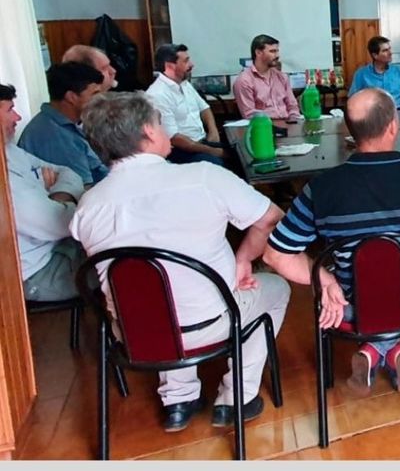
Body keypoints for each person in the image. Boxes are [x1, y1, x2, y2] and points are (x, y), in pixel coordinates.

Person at [71, 92, 294, 432]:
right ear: (148, 131)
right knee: (276, 288)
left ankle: (178, 400)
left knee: (152, 300)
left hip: (133, 335)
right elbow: (270, 218)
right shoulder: (203, 177)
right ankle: (237, 396)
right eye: (161, 123)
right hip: (212, 322)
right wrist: (243, 259)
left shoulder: (88, 206)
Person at [264, 88, 400, 397]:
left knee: (365, 293)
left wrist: (324, 277)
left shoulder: (321, 188)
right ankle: (388, 350)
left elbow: (274, 255)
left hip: (346, 304)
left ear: (349, 131)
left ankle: (374, 350)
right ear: (393, 126)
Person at [2, 83, 86, 302]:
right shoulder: (4, 180)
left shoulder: (9, 150)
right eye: (10, 109)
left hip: (58, 247)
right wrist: (57, 198)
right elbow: (61, 224)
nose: (18, 117)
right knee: (121, 265)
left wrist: (57, 195)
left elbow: (67, 171)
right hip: (40, 272)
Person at [17, 62, 109, 186]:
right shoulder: (54, 136)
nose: (102, 100)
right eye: (95, 94)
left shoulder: (66, 125)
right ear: (71, 97)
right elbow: (82, 190)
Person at [145, 43, 227, 166]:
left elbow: (205, 108)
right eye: (186, 61)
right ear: (169, 66)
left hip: (202, 142)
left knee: (240, 153)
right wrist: (213, 151)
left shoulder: (184, 83)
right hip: (181, 151)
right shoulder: (158, 95)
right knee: (218, 165)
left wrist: (213, 131)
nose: (192, 64)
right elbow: (176, 139)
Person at [232, 34, 302, 120]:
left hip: (288, 125)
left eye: (277, 51)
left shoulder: (281, 77)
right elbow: (249, 114)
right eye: (272, 51)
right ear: (258, 53)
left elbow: (292, 106)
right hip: (263, 127)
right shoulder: (244, 80)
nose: (277, 55)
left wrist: (294, 121)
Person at [348, 36, 400, 109]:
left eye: (390, 49)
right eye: (385, 50)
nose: (390, 53)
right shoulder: (361, 74)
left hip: (398, 112)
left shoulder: (398, 71)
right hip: (373, 115)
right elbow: (353, 100)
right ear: (375, 55)